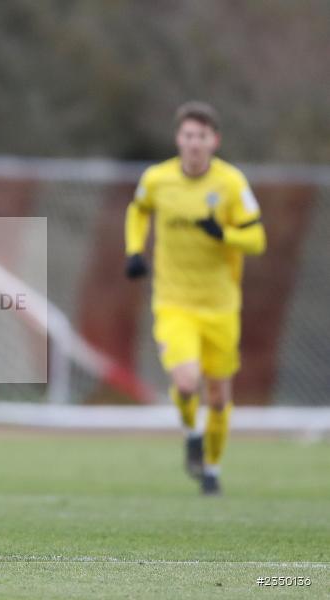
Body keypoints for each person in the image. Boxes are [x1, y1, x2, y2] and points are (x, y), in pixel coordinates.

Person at [125, 101, 266, 495]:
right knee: (186, 382)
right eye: (188, 136)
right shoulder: (157, 179)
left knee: (219, 399)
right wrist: (134, 251)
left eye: (202, 137)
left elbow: (257, 239)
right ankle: (192, 432)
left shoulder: (232, 184)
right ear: (178, 139)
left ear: (214, 140)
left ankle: (212, 469)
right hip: (173, 302)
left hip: (221, 306)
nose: (194, 144)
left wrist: (224, 235)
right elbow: (137, 211)